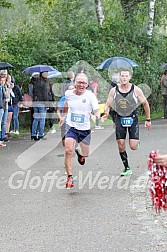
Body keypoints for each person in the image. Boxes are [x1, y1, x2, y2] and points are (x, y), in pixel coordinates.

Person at [102, 68, 152, 176]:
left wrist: (148, 119)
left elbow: (145, 104)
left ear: (129, 77)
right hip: (119, 118)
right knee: (120, 143)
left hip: (132, 118)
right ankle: (127, 167)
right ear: (119, 78)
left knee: (133, 146)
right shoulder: (114, 90)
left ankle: (136, 142)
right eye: (122, 76)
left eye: (126, 76)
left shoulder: (136, 90)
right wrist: (106, 112)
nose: (124, 78)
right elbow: (107, 103)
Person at [60, 73, 100, 188]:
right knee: (68, 150)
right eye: (79, 82)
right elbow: (67, 104)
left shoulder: (90, 95)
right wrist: (63, 116)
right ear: (75, 83)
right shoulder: (69, 94)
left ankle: (80, 153)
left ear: (87, 85)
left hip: (85, 129)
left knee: (85, 154)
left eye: (84, 83)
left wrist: (95, 116)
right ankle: (69, 177)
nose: (81, 84)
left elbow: (96, 109)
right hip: (71, 127)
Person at [31, 72, 49, 140]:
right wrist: (47, 104)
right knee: (42, 119)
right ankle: (41, 134)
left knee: (36, 119)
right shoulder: (43, 83)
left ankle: (33, 134)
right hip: (42, 102)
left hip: (35, 102)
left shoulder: (34, 83)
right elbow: (45, 94)